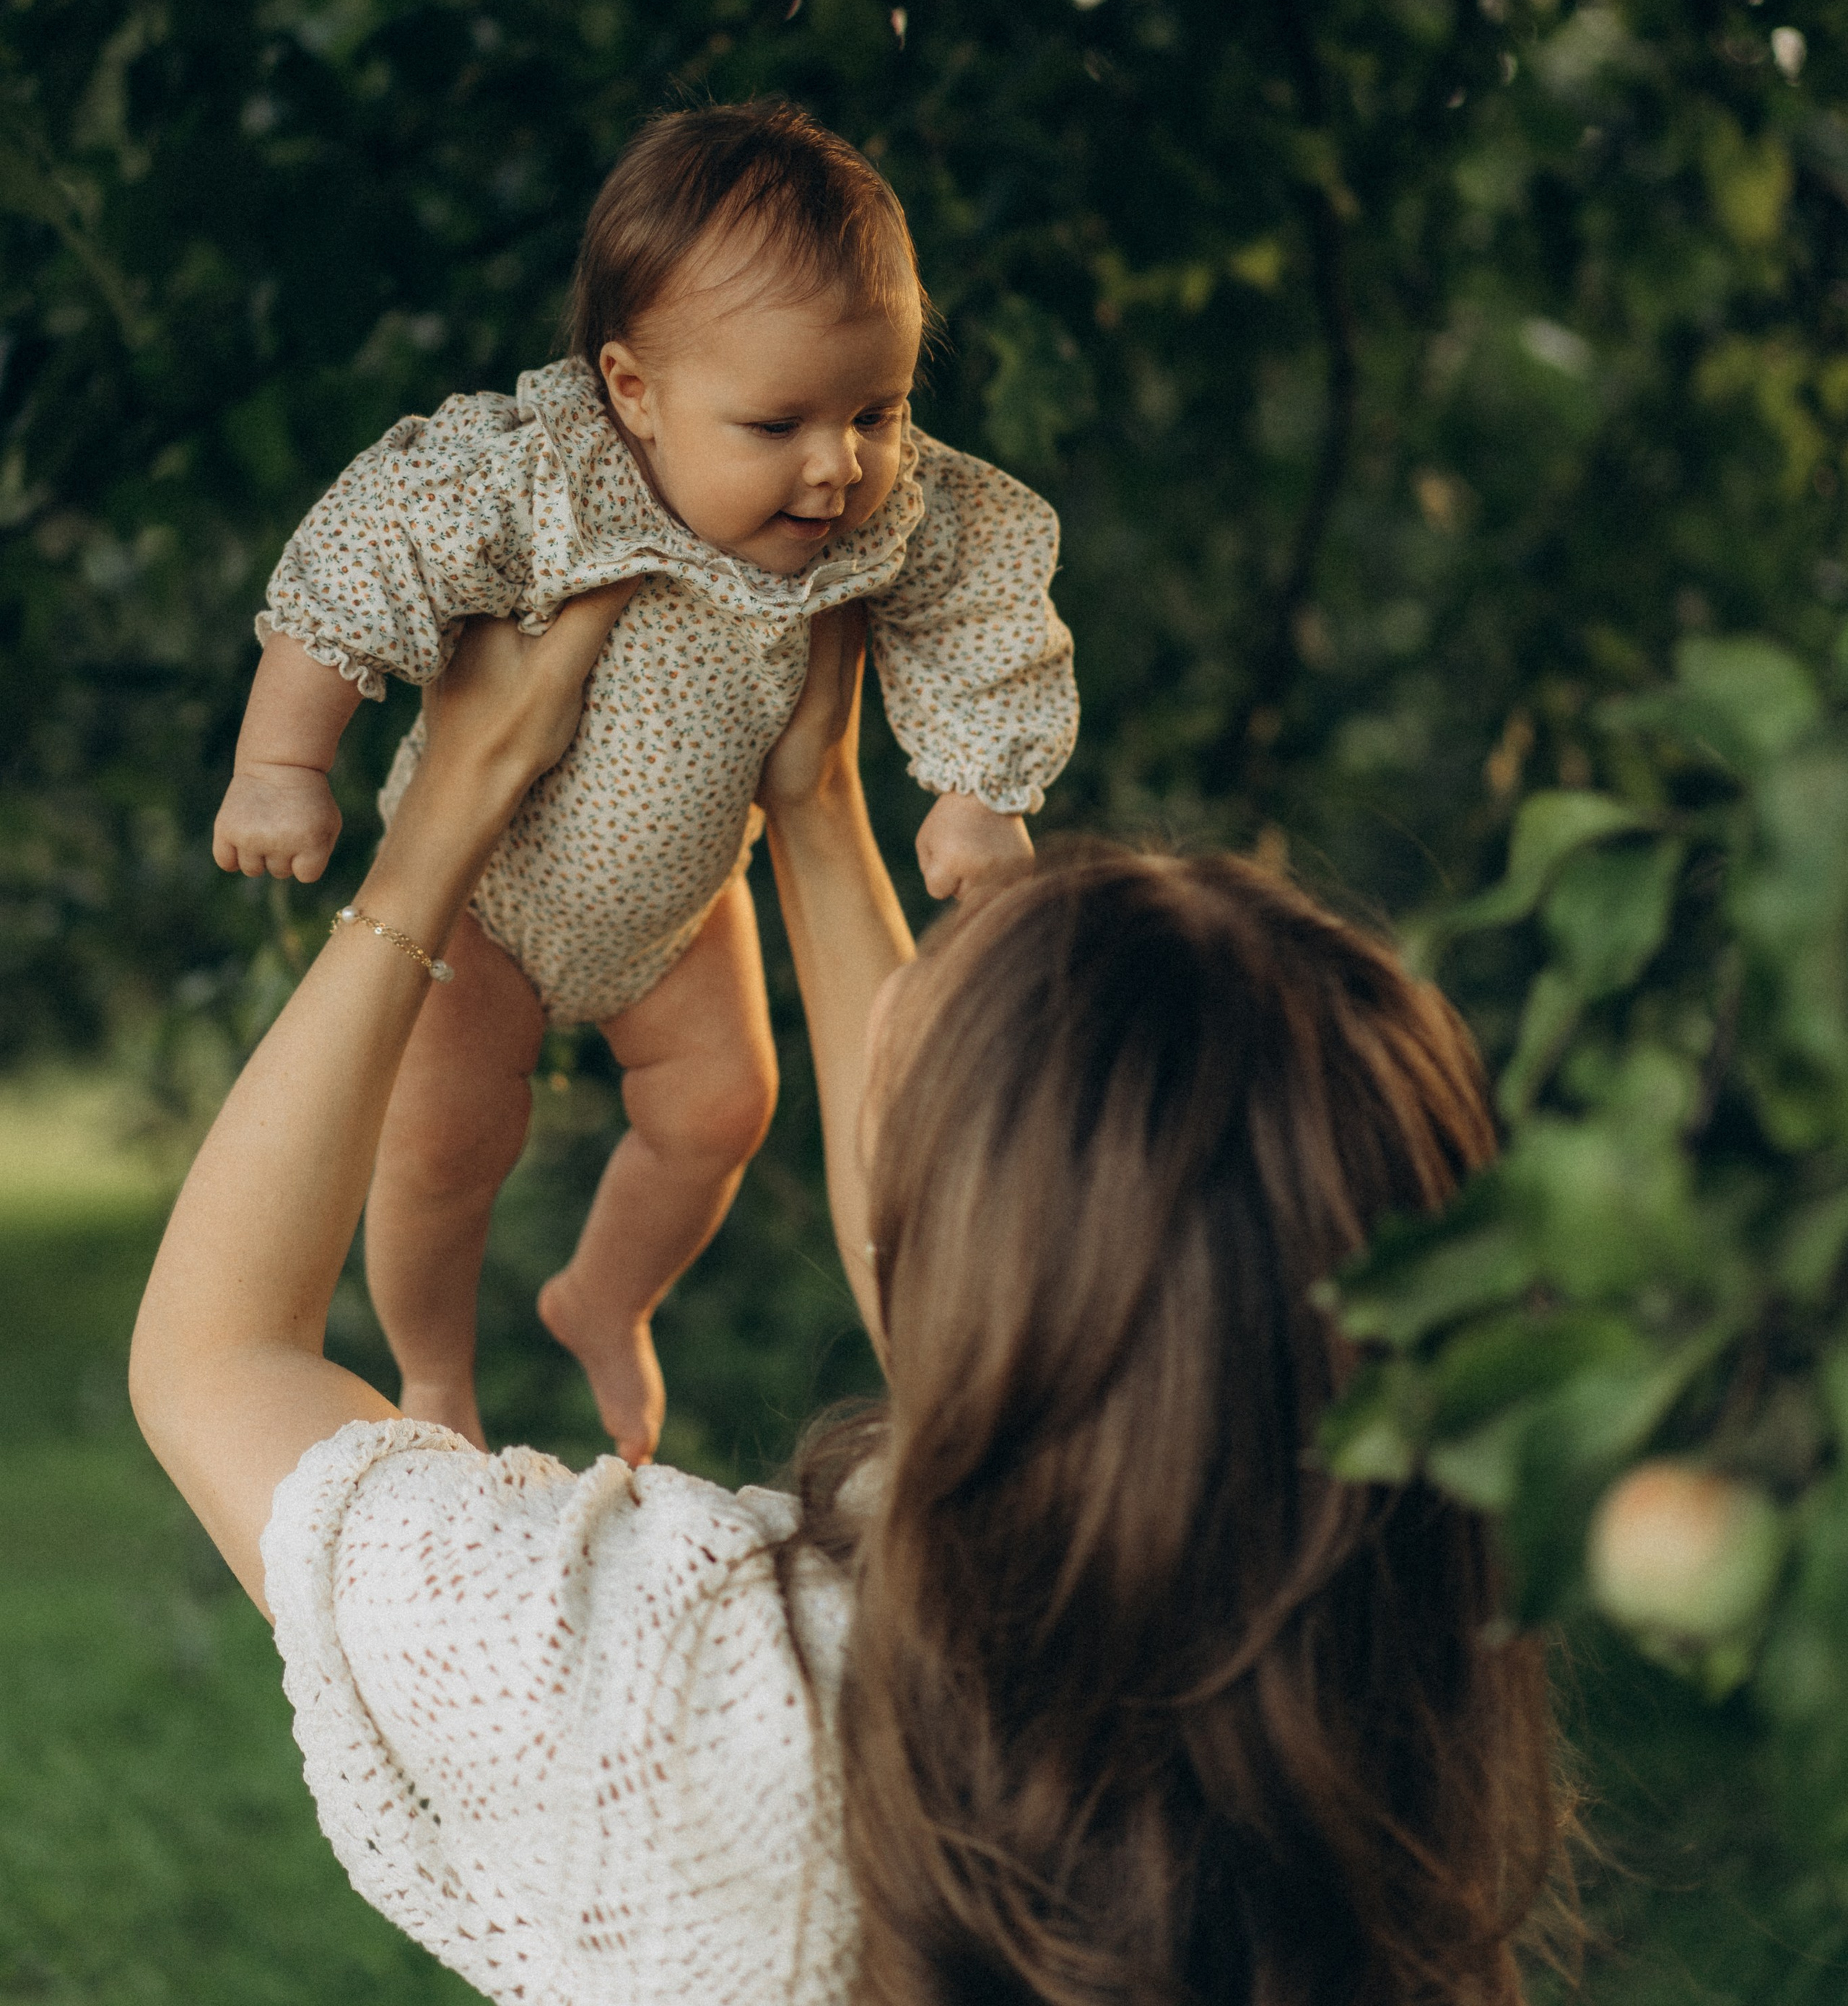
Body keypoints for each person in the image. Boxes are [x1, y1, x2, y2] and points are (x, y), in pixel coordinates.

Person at [133, 595, 1570, 2006]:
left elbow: (217, 1360)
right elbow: (978, 1287)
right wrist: (814, 806)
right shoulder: (1378, 1708)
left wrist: (441, 826)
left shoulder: (703, 1687)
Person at [209, 99, 1078, 1462]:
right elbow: (369, 553)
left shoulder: (887, 508)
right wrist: (280, 763)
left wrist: (981, 789)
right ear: (633, 391)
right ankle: (433, 1375)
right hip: (486, 899)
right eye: (777, 423)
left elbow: (981, 601)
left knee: (725, 1108)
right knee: (443, 1146)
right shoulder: (546, 478)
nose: (838, 464)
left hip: (685, 901)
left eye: (879, 410)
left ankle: (607, 1298)